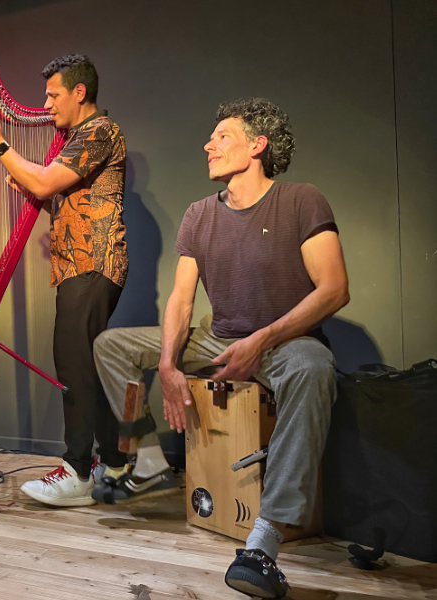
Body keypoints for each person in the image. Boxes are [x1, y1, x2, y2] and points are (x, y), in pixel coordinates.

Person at [94, 97, 349, 598]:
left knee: (314, 369)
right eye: (211, 137)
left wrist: (264, 340)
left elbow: (335, 288)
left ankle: (264, 541)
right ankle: (147, 464)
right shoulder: (197, 215)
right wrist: (168, 365)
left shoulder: (302, 199)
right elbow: (181, 300)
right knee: (112, 346)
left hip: (284, 340)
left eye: (223, 136)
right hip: (218, 336)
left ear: (258, 145)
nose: (209, 144)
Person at [0, 54, 133, 507]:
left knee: (73, 368)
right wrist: (32, 184)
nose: (46, 104)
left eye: (53, 94)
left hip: (92, 264)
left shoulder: (99, 131)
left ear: (80, 93)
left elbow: (45, 184)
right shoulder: (77, 137)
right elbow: (63, 196)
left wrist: (0, 146)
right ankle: (113, 462)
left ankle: (78, 473)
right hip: (81, 264)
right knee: (86, 367)